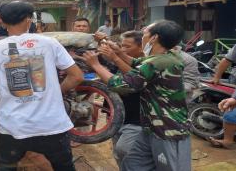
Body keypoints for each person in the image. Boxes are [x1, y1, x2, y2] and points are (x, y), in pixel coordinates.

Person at [0, 1, 84, 171]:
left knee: (7, 166)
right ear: (29, 20)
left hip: (14, 126)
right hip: (52, 125)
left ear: (3, 23)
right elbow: (77, 76)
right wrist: (57, 90)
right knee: (64, 167)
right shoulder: (50, 43)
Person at [82, 20, 191, 171]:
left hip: (167, 130)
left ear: (154, 38)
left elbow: (121, 85)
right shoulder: (169, 55)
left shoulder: (157, 62)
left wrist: (96, 65)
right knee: (132, 164)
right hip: (150, 128)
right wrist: (118, 52)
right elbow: (138, 63)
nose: (143, 35)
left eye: (146, 32)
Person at [106, 31, 143, 167]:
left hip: (136, 119)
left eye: (127, 46)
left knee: (127, 152)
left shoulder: (148, 65)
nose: (122, 50)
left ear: (141, 46)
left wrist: (116, 58)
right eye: (121, 46)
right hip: (118, 115)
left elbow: (133, 80)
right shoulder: (119, 60)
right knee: (118, 152)